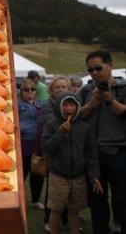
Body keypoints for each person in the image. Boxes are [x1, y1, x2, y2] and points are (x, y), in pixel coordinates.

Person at [78, 50, 126, 234]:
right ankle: (100, 230)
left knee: (121, 198)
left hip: (118, 154)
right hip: (93, 156)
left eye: (98, 68)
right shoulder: (85, 90)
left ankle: (120, 225)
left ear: (110, 66)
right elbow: (76, 117)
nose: (95, 73)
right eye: (90, 70)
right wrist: (91, 105)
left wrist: (110, 100)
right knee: (97, 200)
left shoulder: (123, 88)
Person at [42, 92, 103, 234]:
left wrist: (94, 176)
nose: (69, 109)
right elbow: (46, 148)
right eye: (65, 105)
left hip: (78, 177)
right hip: (58, 177)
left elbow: (91, 154)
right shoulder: (51, 125)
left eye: (72, 105)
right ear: (59, 107)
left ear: (78, 107)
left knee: (74, 210)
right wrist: (60, 133)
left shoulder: (84, 127)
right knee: (56, 210)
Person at [35, 76, 72, 230]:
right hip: (53, 153)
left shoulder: (71, 105)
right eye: (57, 87)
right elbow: (45, 125)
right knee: (53, 189)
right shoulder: (47, 106)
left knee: (69, 189)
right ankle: (49, 220)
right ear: (51, 90)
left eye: (63, 87)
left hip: (69, 154)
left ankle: (65, 219)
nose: (60, 89)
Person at [18, 79, 45, 210]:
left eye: (32, 89)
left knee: (37, 173)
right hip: (23, 143)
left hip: (37, 143)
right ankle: (18, 200)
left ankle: (35, 200)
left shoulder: (41, 104)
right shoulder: (17, 104)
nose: (30, 92)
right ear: (21, 91)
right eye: (26, 89)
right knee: (21, 175)